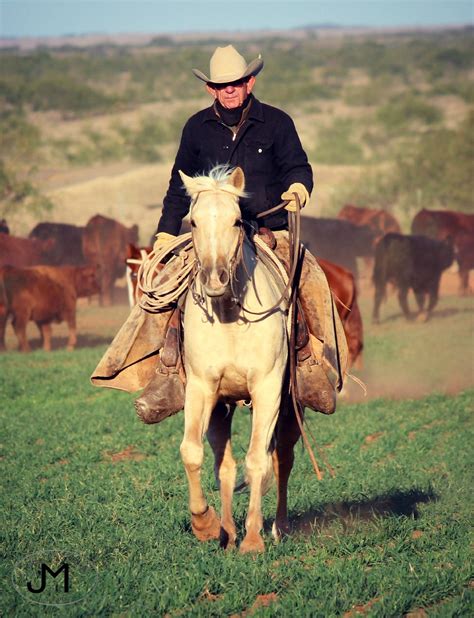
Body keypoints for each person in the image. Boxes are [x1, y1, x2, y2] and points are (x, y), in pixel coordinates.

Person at [91, 45, 347, 420]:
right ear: (210, 89)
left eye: (236, 83)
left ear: (250, 82)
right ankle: (165, 371)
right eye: (221, 85)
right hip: (211, 234)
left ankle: (311, 364)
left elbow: (298, 166)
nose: (229, 90)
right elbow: (179, 185)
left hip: (267, 229)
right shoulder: (196, 128)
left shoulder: (277, 122)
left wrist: (298, 188)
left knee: (310, 277)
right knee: (163, 286)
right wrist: (165, 233)